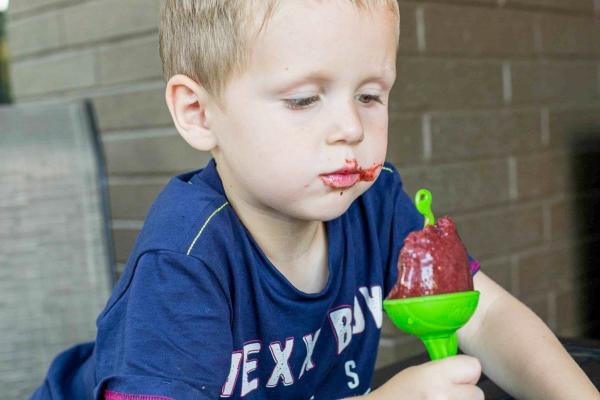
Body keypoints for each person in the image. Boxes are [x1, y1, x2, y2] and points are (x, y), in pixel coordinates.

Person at [31, 1, 598, 399]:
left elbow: (487, 313)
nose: (350, 127)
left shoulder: (375, 203)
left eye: (371, 95)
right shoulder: (184, 261)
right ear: (199, 113)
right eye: (304, 100)